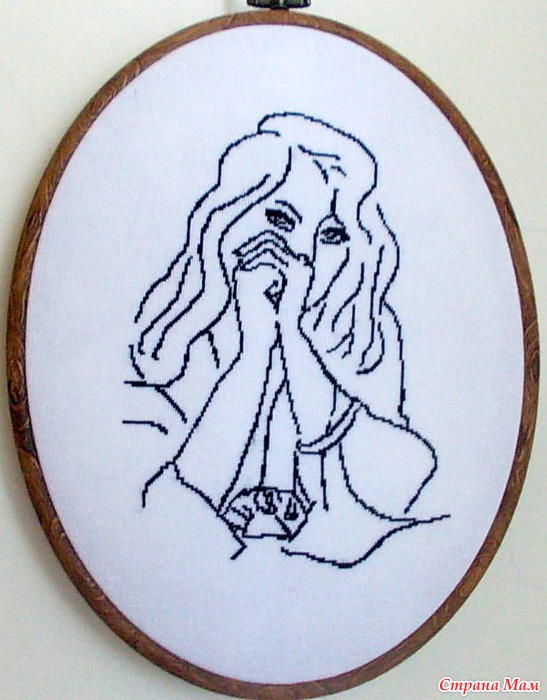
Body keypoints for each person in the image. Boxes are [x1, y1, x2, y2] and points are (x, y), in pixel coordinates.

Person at [128, 113, 446, 567]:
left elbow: (397, 483)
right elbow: (158, 516)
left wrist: (293, 335)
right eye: (279, 219)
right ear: (232, 214)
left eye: (332, 235)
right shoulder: (182, 329)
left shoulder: (362, 330)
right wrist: (254, 351)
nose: (303, 253)